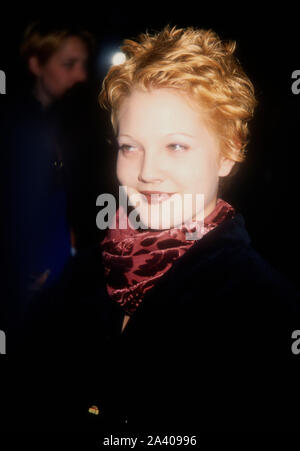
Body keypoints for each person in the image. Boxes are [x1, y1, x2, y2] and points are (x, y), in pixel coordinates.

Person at [13, 25, 300, 449]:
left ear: (229, 151)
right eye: (130, 146)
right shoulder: (85, 271)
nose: (146, 172)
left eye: (176, 146)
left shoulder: (265, 311)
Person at [1, 21, 96, 321]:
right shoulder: (15, 127)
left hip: (58, 275)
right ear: (35, 64)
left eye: (84, 64)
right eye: (69, 64)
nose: (81, 75)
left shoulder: (70, 120)